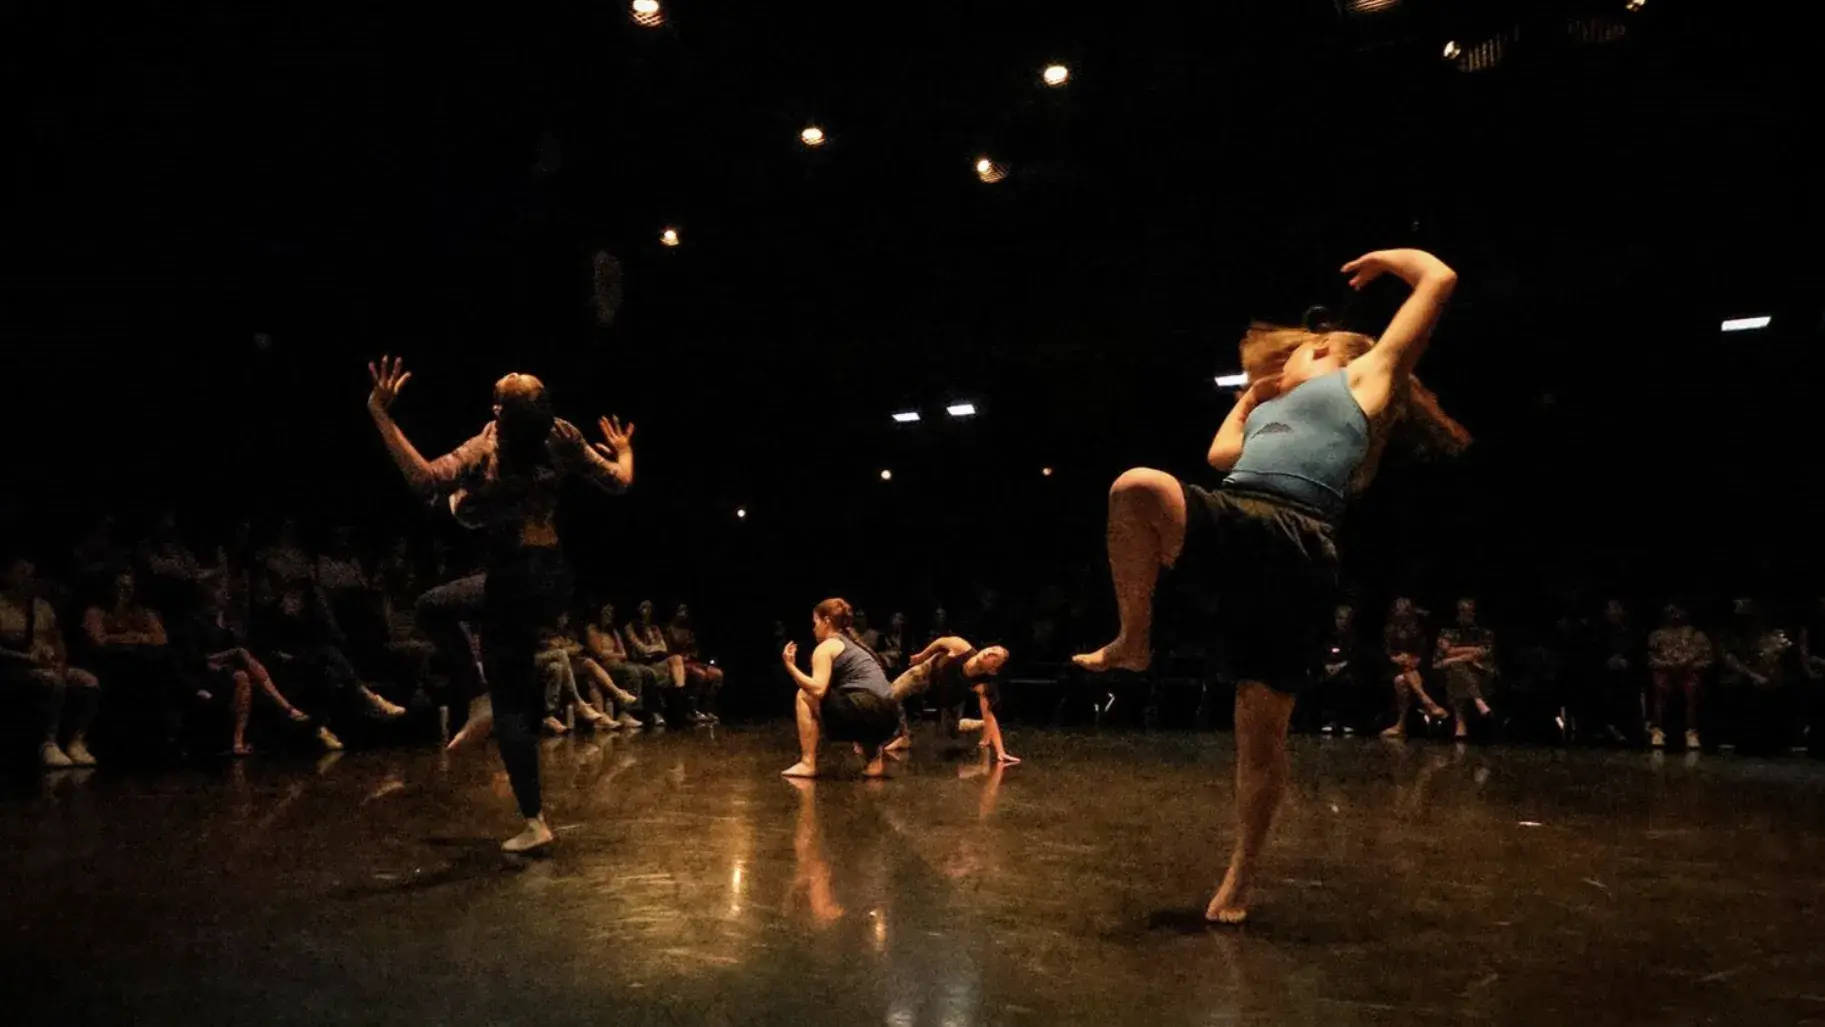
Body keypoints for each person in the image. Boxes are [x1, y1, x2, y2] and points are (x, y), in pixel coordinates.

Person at [1071, 248, 1466, 924]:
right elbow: (1220, 458)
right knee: (1136, 486)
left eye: (1306, 351)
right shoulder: (1263, 409)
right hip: (1235, 515)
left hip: (1298, 541)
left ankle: (1238, 879)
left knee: (1259, 734)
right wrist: (1250, 401)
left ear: (1337, 356)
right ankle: (1134, 638)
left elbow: (1439, 279)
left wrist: (1385, 263)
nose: (1286, 361)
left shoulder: (1363, 380)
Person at [366, 355, 635, 853]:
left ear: (497, 411)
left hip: (514, 580)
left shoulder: (488, 447)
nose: (514, 368)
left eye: (512, 381)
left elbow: (425, 479)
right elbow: (619, 483)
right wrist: (623, 450)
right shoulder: (562, 435)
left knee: (506, 699)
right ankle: (481, 700)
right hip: (552, 576)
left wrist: (381, 414)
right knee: (435, 607)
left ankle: (533, 818)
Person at [780, 598, 900, 779]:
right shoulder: (855, 646)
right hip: (891, 719)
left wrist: (790, 666)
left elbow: (818, 690)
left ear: (827, 621)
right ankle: (874, 763)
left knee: (804, 694)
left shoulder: (826, 647)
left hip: (867, 709)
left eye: (816, 623)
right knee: (861, 699)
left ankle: (807, 763)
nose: (814, 629)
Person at [1, 555, 102, 768]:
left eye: (31, 575)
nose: (28, 580)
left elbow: (57, 639)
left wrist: (60, 659)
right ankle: (48, 742)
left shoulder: (42, 608)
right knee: (51, 682)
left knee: (88, 682)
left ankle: (77, 741)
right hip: (13, 667)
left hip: (46, 665)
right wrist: (25, 658)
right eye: (22, 574)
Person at [884, 636, 1017, 763]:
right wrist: (922, 655)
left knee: (952, 731)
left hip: (949, 698)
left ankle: (981, 725)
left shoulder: (982, 684)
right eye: (992, 649)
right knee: (890, 696)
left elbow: (989, 715)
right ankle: (904, 737)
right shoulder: (962, 647)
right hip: (928, 675)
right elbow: (941, 642)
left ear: (992, 670)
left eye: (995, 658)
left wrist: (1000, 752)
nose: (989, 653)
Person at [580, 602, 657, 728]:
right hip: (603, 666)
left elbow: (624, 654)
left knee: (648, 672)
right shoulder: (592, 629)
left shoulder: (613, 631)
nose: (608, 615)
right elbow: (599, 654)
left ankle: (649, 711)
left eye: (611, 613)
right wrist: (616, 654)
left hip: (618, 663)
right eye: (606, 612)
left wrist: (613, 654)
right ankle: (625, 712)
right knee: (632, 671)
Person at [1647, 602, 1712, 749]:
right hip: (1665, 671)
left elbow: (1707, 659)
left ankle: (1691, 731)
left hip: (1689, 673)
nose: (1674, 614)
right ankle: (1657, 730)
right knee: (1659, 684)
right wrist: (1667, 665)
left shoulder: (1698, 635)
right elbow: (1650, 658)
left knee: (1693, 687)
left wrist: (1689, 666)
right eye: (1671, 611)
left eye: (1678, 610)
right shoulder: (1656, 636)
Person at [1382, 596, 1447, 738]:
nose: (1401, 613)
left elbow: (1421, 653)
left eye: (1405, 610)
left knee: (1402, 680)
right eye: (1398, 610)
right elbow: (1388, 653)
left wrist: (1411, 659)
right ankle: (1429, 704)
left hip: (1415, 667)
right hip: (1394, 667)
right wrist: (1397, 658)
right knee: (1402, 676)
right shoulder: (1389, 630)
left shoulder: (1418, 631)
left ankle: (1401, 724)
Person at [1434, 597, 1497, 740]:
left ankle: (1460, 723)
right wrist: (1465, 654)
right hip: (1448, 668)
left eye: (1470, 612)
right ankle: (1478, 701)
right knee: (1457, 668)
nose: (1467, 615)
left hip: (1480, 669)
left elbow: (1483, 652)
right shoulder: (1447, 632)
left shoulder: (1484, 633)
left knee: (1458, 668)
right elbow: (1442, 656)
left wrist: (1454, 652)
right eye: (1463, 611)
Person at [624, 599, 695, 721]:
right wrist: (654, 649)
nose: (646, 611)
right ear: (637, 609)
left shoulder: (654, 628)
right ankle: (681, 705)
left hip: (656, 661)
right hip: (641, 662)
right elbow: (641, 649)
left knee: (677, 658)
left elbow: (664, 648)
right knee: (670, 666)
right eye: (643, 607)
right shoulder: (630, 627)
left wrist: (653, 649)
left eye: (649, 608)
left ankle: (680, 693)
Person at [665, 603, 724, 724]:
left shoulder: (689, 629)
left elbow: (694, 650)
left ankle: (707, 708)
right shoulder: (668, 629)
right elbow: (667, 651)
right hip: (678, 663)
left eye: (685, 610)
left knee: (717, 674)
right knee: (700, 675)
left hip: (692, 660)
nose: (683, 613)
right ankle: (692, 710)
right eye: (680, 610)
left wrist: (692, 652)